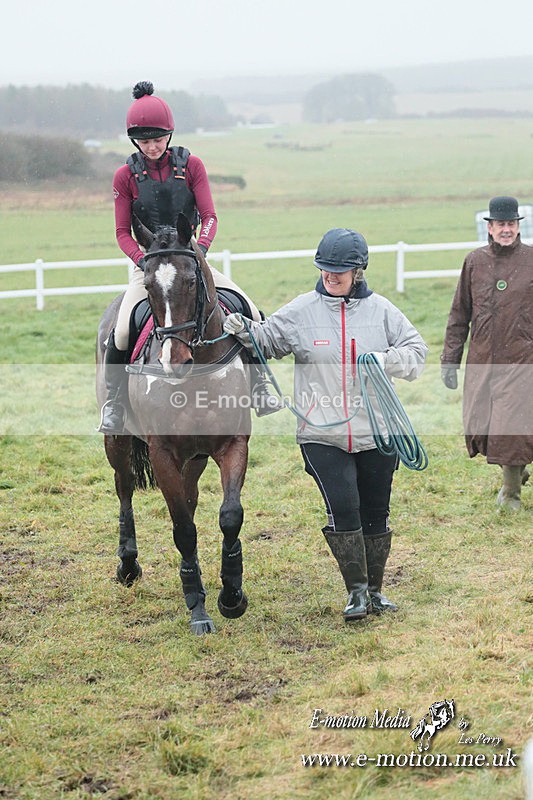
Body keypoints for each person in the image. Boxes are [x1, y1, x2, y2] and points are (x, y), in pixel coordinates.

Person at [223, 228, 428, 622]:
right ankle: (355, 592)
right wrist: (243, 329)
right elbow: (267, 341)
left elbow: (417, 353)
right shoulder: (301, 310)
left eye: (340, 271)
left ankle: (375, 591)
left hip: (377, 431)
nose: (330, 276)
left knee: (376, 512)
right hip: (321, 433)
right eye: (325, 269)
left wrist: (385, 360)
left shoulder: (383, 311)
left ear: (359, 271)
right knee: (344, 508)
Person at [100, 80, 278, 433]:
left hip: (192, 260)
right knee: (121, 330)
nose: (152, 147)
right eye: (144, 141)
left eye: (158, 139)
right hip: (150, 268)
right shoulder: (125, 175)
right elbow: (122, 232)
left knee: (250, 309)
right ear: (135, 140)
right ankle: (114, 403)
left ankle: (259, 388)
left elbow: (209, 216)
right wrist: (144, 262)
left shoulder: (192, 165)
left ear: (169, 135)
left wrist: (201, 251)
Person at [441, 196, 533, 511]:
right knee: (483, 426)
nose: (506, 229)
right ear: (490, 227)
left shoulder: (532, 260)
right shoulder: (474, 262)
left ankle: (511, 496)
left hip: (522, 360)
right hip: (482, 361)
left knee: (511, 425)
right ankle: (515, 471)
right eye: (500, 224)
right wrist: (450, 360)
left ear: (518, 226)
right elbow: (459, 314)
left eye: (511, 224)